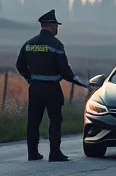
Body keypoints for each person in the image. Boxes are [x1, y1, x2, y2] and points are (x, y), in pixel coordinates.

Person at [16, 9, 89, 161]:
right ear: (50, 25)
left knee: (33, 121)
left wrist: (30, 78)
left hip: (35, 88)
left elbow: (20, 65)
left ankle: (32, 152)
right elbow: (64, 70)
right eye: (56, 25)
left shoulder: (29, 44)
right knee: (55, 119)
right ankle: (54, 152)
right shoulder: (56, 45)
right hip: (52, 88)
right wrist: (79, 82)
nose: (57, 28)